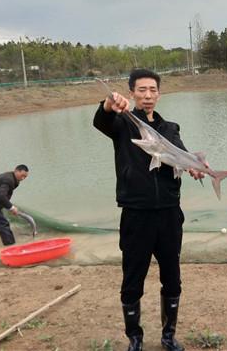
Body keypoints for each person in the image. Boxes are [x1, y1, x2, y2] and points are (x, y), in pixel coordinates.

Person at [93, 69, 202, 351]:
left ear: (159, 93)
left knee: (172, 278)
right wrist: (108, 104)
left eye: (152, 90)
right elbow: (101, 121)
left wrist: (195, 169)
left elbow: (183, 156)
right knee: (132, 279)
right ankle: (135, 339)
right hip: (136, 215)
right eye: (141, 90)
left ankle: (168, 336)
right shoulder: (123, 124)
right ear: (132, 93)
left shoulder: (170, 129)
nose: (148, 95)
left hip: (168, 215)